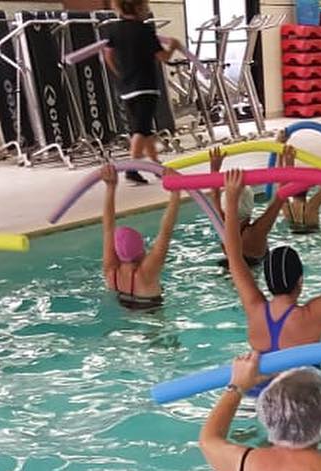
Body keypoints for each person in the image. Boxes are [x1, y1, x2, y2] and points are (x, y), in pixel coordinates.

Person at [223, 165, 321, 353]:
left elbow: (234, 258)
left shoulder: (255, 310)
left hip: (259, 383)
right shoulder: (310, 318)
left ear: (267, 281)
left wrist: (231, 200)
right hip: (304, 383)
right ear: (300, 281)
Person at [100, 0, 181, 184]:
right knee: (140, 129)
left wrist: (120, 74)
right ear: (137, 8)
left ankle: (155, 165)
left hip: (127, 88)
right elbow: (164, 57)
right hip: (146, 86)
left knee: (145, 129)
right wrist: (174, 46)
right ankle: (132, 169)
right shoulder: (145, 31)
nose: (147, 11)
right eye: (145, 8)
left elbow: (108, 55)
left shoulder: (113, 30)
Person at [100, 162, 180, 311]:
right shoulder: (146, 271)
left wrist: (110, 187)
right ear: (142, 250)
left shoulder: (111, 271)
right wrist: (176, 192)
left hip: (123, 309)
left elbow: (108, 229)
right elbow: (165, 231)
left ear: (116, 250)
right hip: (151, 313)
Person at [208, 145, 289, 267]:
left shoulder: (221, 223)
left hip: (230, 268)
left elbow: (214, 195)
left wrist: (214, 168)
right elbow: (281, 196)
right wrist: (288, 163)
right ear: (251, 206)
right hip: (251, 274)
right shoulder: (256, 232)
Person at [283, 134, 321, 235]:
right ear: (307, 188)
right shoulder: (311, 206)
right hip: (315, 239)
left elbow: (282, 179)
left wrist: (287, 158)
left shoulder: (285, 206)